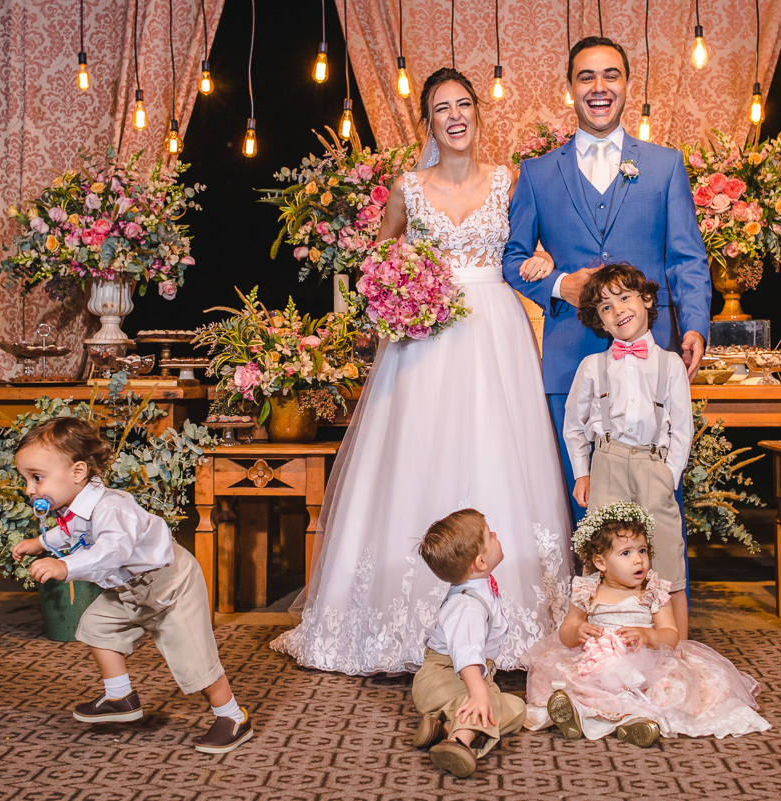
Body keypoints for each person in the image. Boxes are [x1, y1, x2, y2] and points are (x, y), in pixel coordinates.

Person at [271, 68, 573, 675]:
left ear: (477, 114)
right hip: (426, 334)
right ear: (428, 122)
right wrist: (397, 294)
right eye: (442, 108)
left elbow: (522, 254)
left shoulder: (507, 182)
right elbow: (381, 260)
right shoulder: (407, 187)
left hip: (494, 331)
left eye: (464, 104)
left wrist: (543, 262)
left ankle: (508, 617)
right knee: (416, 454)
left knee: (497, 447)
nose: (455, 115)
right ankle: (400, 620)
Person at [502, 36, 712, 526]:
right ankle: (588, 603)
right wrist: (559, 286)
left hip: (653, 359)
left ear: (628, 85)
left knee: (658, 501)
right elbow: (511, 258)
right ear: (570, 89)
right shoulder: (536, 173)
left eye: (610, 75)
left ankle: (660, 601)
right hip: (569, 358)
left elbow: (686, 259)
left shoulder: (664, 166)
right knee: (579, 501)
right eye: (586, 77)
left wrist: (696, 326)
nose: (599, 87)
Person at [10, 417, 252, 754]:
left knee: (192, 658)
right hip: (128, 590)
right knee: (96, 627)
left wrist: (64, 566)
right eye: (26, 479)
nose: (29, 489)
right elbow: (71, 533)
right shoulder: (74, 506)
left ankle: (232, 716)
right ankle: (120, 695)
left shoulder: (111, 507)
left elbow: (111, 552)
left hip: (169, 584)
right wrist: (40, 541)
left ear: (77, 472)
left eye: (36, 478)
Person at [523, 502, 770, 745]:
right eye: (626, 553)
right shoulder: (588, 590)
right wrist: (577, 631)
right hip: (597, 665)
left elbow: (671, 635)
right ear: (601, 563)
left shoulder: (652, 591)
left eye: (642, 550)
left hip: (646, 666)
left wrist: (648, 636)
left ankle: (630, 721)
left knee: (671, 685)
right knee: (561, 675)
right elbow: (566, 631)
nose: (638, 560)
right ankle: (585, 713)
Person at [564, 263, 695, 638]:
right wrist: (583, 473)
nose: (617, 310)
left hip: (654, 466)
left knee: (666, 553)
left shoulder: (670, 364)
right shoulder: (593, 366)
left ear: (647, 299)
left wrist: (668, 474)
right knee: (604, 552)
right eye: (606, 307)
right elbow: (574, 425)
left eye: (624, 298)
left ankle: (677, 649)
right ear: (600, 321)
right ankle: (596, 643)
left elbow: (681, 429)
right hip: (607, 463)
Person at [411, 509, 527, 778]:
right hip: (442, 676)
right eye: (490, 535)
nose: (496, 535)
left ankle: (440, 727)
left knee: (515, 708)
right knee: (495, 706)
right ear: (481, 562)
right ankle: (458, 741)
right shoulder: (467, 606)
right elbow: (466, 654)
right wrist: (479, 694)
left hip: (462, 676)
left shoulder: (478, 586)